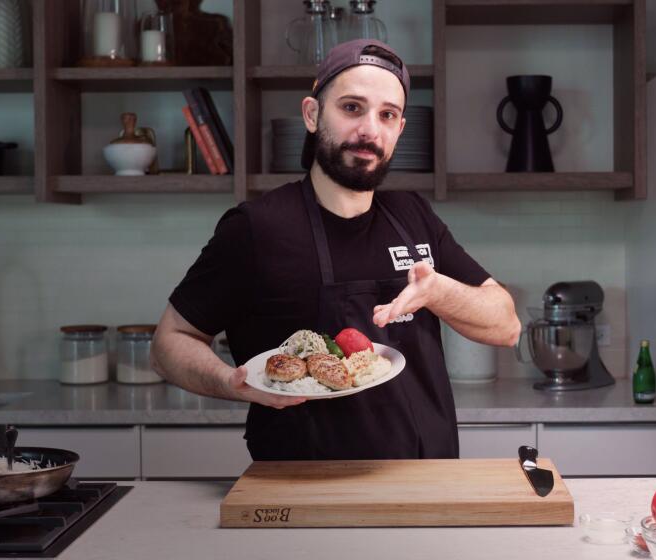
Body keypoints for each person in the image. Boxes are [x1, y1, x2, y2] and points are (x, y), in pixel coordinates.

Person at [150, 39, 521, 461]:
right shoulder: (257, 228)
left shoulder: (413, 216)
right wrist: (229, 382)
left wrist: (439, 293)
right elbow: (168, 344)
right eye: (351, 108)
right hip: (304, 494)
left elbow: (506, 325)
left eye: (387, 115)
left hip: (425, 482)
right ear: (312, 114)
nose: (369, 130)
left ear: (399, 130)